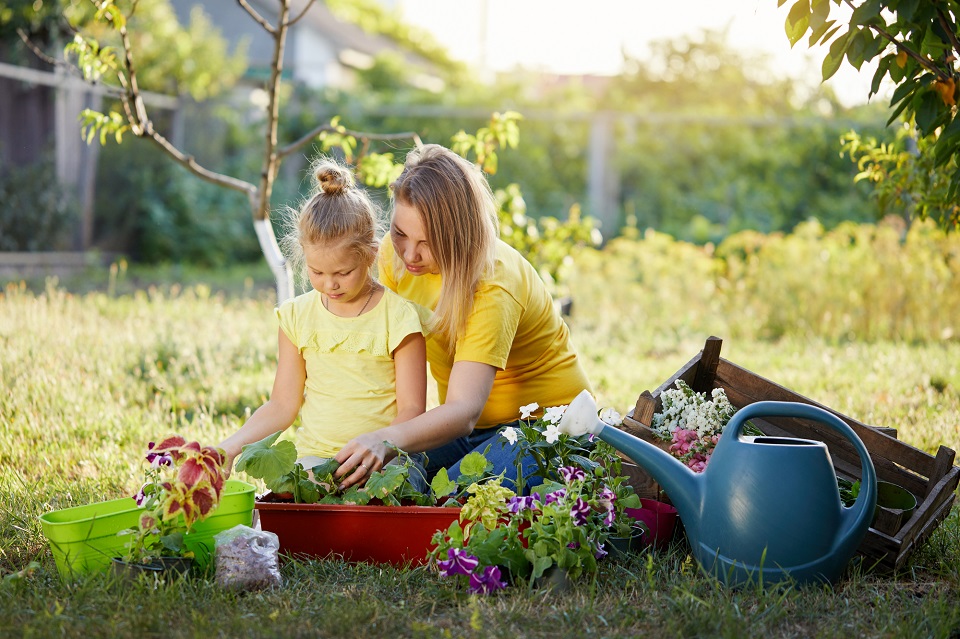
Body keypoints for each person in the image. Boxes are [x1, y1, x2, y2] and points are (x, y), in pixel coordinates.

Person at [333, 144, 592, 492]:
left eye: (428, 241)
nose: (409, 254)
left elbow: (464, 409)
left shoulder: (493, 282)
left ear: (459, 235)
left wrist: (386, 439)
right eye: (400, 234)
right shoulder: (394, 261)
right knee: (390, 485)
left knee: (446, 500)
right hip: (463, 433)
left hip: (545, 427)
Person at [219, 158, 427, 488]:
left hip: (385, 460)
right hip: (315, 460)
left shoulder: (399, 317)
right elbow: (282, 405)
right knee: (299, 507)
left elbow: (413, 410)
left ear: (371, 254)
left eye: (343, 273)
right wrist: (229, 447)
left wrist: (380, 450)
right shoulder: (296, 317)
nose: (330, 285)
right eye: (317, 272)